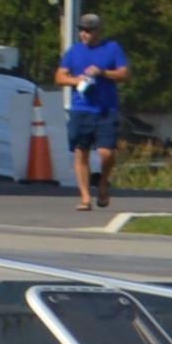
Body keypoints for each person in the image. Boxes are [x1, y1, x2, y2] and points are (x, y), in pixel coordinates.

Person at [55, 13, 126, 210]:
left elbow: (124, 73)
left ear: (98, 31)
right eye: (82, 30)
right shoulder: (74, 52)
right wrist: (76, 81)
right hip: (81, 109)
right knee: (81, 152)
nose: (84, 34)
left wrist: (103, 72)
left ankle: (103, 183)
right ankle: (85, 197)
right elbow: (60, 77)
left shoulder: (112, 49)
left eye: (89, 30)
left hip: (106, 109)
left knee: (106, 153)